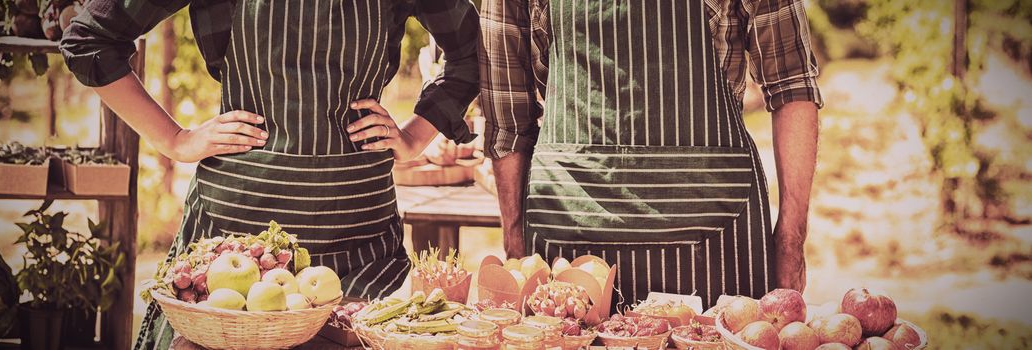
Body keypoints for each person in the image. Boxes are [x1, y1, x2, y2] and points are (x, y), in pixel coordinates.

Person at [60, 0, 479, 348]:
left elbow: (471, 51)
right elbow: (90, 39)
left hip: (359, 248)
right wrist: (174, 139)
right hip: (235, 249)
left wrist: (413, 137)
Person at [478, 0, 821, 308]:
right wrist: (514, 241)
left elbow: (792, 83)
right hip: (569, 242)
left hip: (716, 240)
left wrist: (791, 239)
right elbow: (507, 115)